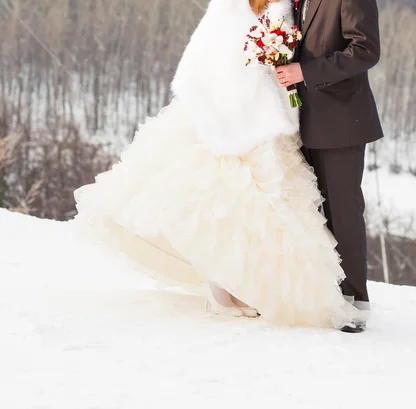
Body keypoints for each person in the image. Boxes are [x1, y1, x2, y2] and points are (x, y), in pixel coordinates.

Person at [73, 0, 362, 330]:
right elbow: (214, 49)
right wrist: (240, 95)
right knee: (222, 202)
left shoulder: (288, 2)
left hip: (273, 109)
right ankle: (221, 294)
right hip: (236, 108)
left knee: (253, 211)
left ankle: (239, 289)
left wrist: (280, 64)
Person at [275, 0, 384, 332]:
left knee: (343, 214)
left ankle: (354, 307)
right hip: (300, 121)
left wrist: (305, 72)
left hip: (342, 123)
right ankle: (320, 297)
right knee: (312, 214)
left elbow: (365, 50)